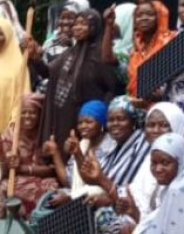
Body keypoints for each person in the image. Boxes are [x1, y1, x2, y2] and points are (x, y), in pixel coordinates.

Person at [77, 96, 154, 234]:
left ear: (133, 122)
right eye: (111, 120)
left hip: (136, 210)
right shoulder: (116, 147)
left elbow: (132, 191)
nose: (115, 124)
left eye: (121, 119)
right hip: (117, 202)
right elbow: (92, 179)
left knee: (100, 216)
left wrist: (105, 191)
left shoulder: (141, 144)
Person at [32, 8, 120, 144]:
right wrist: (35, 58)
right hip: (63, 117)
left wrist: (99, 114)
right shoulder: (70, 53)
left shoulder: (100, 56)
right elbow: (48, 73)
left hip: (86, 120)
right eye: (76, 24)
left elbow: (112, 88)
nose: (78, 27)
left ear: (94, 27)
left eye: (83, 24)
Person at [0, 93, 57, 216]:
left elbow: (53, 169)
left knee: (51, 189)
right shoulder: (11, 133)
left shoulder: (47, 133)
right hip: (18, 178)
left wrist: (26, 169)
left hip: (43, 179)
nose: (27, 116)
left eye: (32, 113)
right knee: (4, 187)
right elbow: (5, 169)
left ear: (40, 114)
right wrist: (8, 162)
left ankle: (38, 222)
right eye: (23, 112)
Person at [125, 0, 174, 99]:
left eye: (150, 15)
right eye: (139, 16)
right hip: (137, 103)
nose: (144, 19)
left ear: (159, 17)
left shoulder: (170, 40)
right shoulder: (137, 47)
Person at [35, 0, 87, 93]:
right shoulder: (50, 42)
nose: (65, 22)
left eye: (71, 18)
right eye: (62, 18)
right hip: (46, 90)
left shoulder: (83, 42)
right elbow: (43, 69)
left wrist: (71, 46)